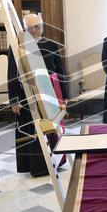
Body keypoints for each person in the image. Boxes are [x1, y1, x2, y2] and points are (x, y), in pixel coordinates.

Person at [8, 13, 66, 177]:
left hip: (50, 94)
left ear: (43, 27)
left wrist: (65, 95)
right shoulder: (16, 47)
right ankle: (38, 167)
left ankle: (57, 161)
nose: (34, 30)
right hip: (26, 96)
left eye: (37, 26)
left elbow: (60, 72)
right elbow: (12, 73)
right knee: (32, 130)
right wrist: (14, 100)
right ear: (25, 30)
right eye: (30, 27)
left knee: (52, 128)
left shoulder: (52, 45)